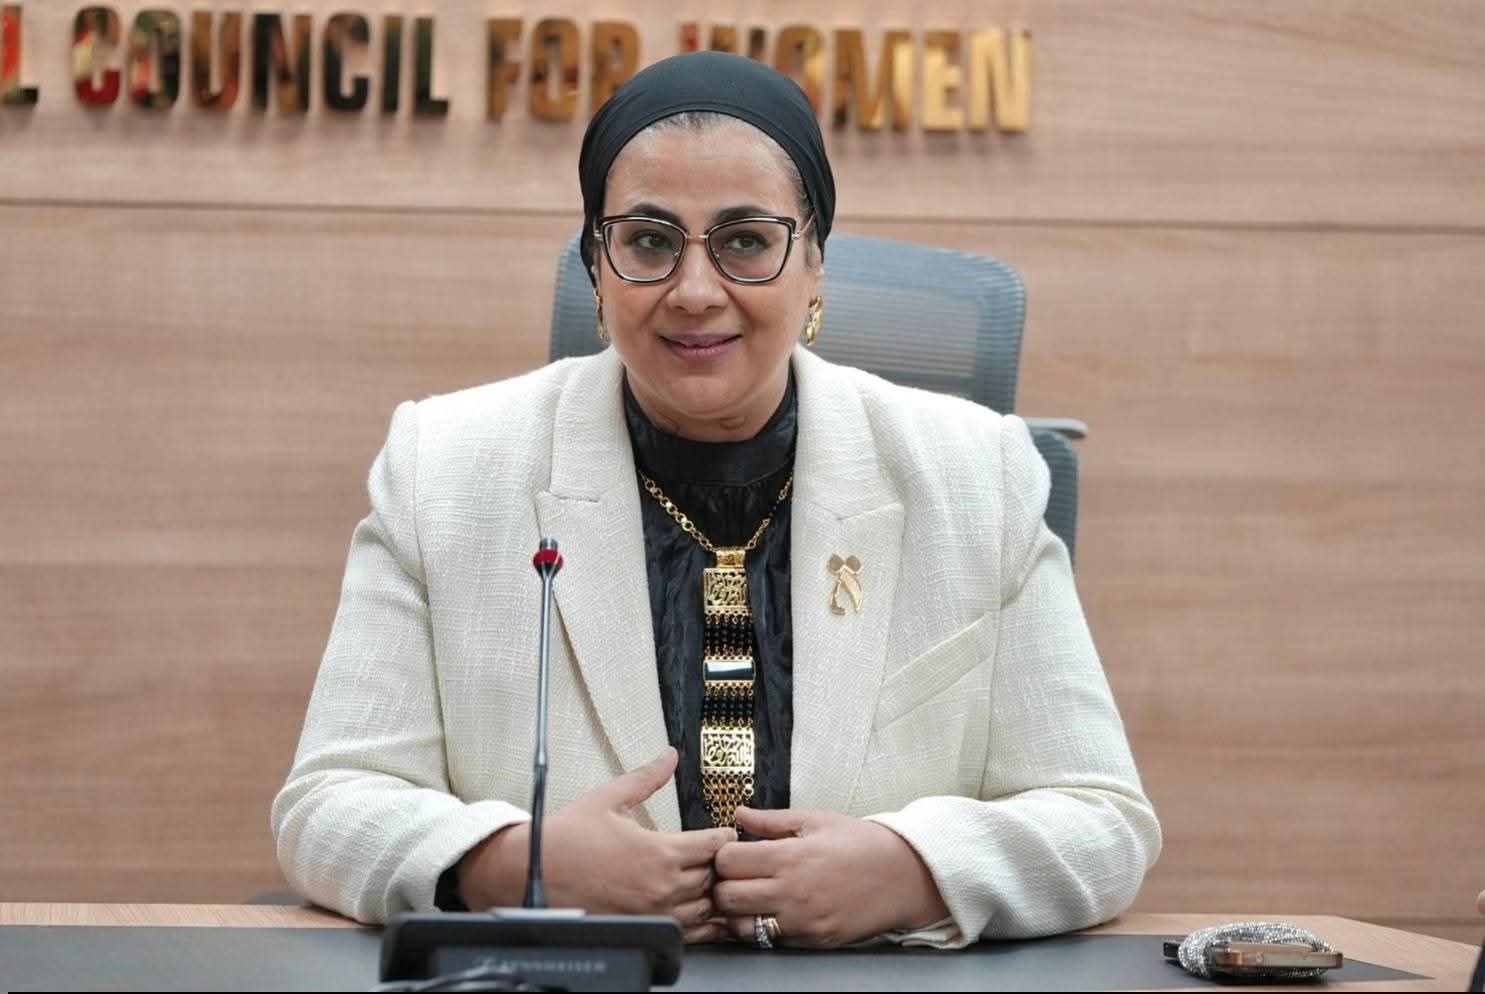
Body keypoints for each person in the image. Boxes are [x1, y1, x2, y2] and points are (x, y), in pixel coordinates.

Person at [271, 51, 1161, 950]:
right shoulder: (444, 467)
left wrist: (911, 871)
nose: (695, 293)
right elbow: (328, 806)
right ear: (596, 267)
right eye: (648, 241)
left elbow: (1099, 821)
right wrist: (514, 866)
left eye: (745, 241)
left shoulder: (976, 474)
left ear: (813, 263)